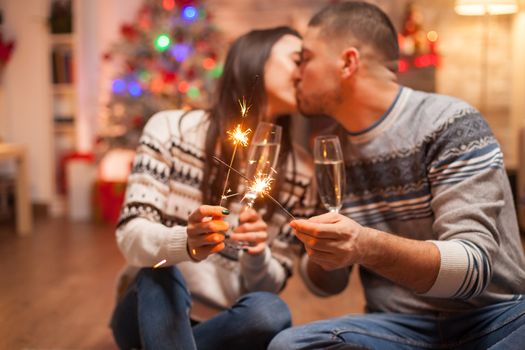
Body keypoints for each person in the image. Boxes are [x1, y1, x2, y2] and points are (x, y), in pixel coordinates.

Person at [269, 2, 525, 349]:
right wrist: (320, 250)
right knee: (291, 345)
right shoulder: (331, 149)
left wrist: (365, 245)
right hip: (397, 328)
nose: (296, 74)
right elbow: (328, 286)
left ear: (347, 62)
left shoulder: (448, 123)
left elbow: (472, 271)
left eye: (306, 59)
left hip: (492, 319)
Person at [110, 26, 315, 350]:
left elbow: (270, 284)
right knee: (161, 270)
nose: (306, 73)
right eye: (297, 60)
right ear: (255, 58)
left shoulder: (301, 173)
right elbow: (130, 237)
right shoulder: (171, 130)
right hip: (146, 308)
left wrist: (257, 253)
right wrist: (185, 242)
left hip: (226, 323)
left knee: (270, 310)